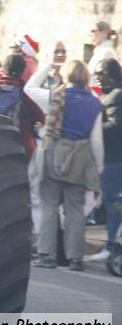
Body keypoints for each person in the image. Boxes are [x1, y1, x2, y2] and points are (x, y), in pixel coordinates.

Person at [31, 61, 104, 271]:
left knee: (49, 206)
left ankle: (47, 254)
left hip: (53, 152)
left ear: (67, 75)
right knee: (75, 210)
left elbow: (29, 88)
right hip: (80, 157)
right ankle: (75, 259)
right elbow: (96, 140)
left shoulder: (55, 96)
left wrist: (47, 65)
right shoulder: (94, 103)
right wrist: (98, 167)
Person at [0, 54, 44, 156]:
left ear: (2, 69)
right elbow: (41, 118)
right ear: (22, 71)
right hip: (16, 147)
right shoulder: (25, 96)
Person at [87, 59, 122, 262]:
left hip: (114, 159)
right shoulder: (110, 94)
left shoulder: (117, 95)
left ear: (112, 74)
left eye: (101, 73)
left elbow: (116, 127)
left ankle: (111, 246)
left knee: (111, 203)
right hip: (110, 158)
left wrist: (95, 126)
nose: (98, 77)